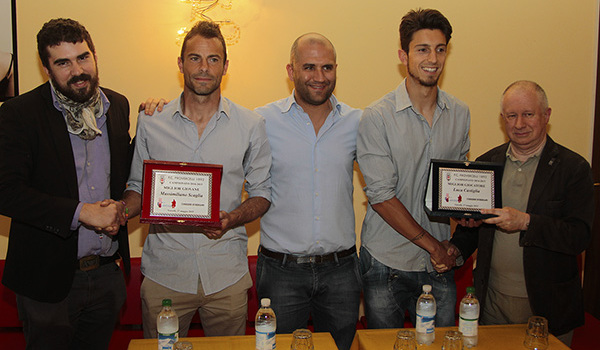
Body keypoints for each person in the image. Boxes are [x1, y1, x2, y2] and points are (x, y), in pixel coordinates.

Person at [122, 20, 272, 338]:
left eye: (213, 59)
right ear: (180, 63)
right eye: (195, 58)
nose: (204, 68)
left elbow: (262, 194)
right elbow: (137, 186)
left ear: (225, 66)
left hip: (226, 277)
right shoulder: (152, 121)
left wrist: (231, 219)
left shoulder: (250, 124)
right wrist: (119, 212)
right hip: (166, 274)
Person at [0, 18, 131, 349]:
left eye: (83, 57)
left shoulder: (117, 106)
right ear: (46, 68)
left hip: (106, 275)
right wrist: (81, 212)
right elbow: (6, 192)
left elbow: (127, 176)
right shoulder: (19, 113)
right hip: (46, 282)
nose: (78, 70)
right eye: (63, 63)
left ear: (95, 55)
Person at [448, 80, 593, 346]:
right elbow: (475, 229)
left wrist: (526, 222)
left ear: (546, 115)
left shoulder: (573, 168)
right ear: (502, 119)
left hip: (548, 309)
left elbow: (579, 236)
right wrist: (455, 250)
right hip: (492, 304)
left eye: (528, 114)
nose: (519, 124)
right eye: (511, 116)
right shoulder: (486, 164)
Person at [356, 8, 470, 329]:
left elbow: (455, 188)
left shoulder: (460, 113)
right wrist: (436, 246)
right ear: (403, 56)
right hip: (385, 261)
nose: (432, 58)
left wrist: (466, 217)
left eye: (440, 49)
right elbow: (380, 196)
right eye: (422, 49)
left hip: (439, 264)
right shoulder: (376, 117)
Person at [254, 33, 362, 350]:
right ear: (291, 70)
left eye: (327, 67)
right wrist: (161, 107)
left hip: (341, 271)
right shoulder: (261, 120)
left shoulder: (358, 122)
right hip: (280, 271)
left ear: (336, 69)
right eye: (309, 67)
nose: (319, 77)